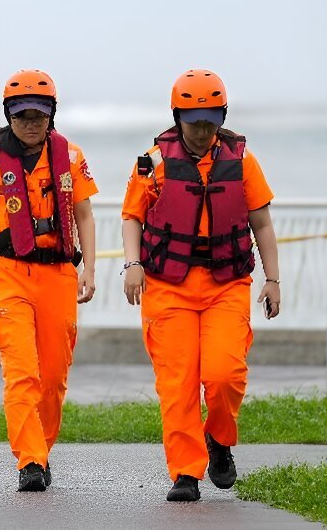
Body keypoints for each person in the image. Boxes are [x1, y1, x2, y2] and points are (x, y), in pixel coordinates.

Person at [120, 68, 281, 502]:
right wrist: (132, 264)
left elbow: (261, 223)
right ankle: (185, 473)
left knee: (224, 374)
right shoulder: (153, 161)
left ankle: (220, 440)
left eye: (211, 120)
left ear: (222, 117)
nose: (203, 129)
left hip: (226, 284)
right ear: (177, 118)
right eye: (194, 121)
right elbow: (132, 216)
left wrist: (273, 279)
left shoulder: (242, 160)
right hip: (168, 286)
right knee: (178, 383)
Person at [0, 68, 98, 493]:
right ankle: (30, 461)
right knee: (21, 375)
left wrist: (89, 269)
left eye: (39, 114)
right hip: (8, 276)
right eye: (21, 115)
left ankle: (42, 450)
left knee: (52, 379)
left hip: (58, 277)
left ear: (52, 114)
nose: (31, 123)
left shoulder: (70, 157)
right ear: (7, 116)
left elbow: (84, 215)